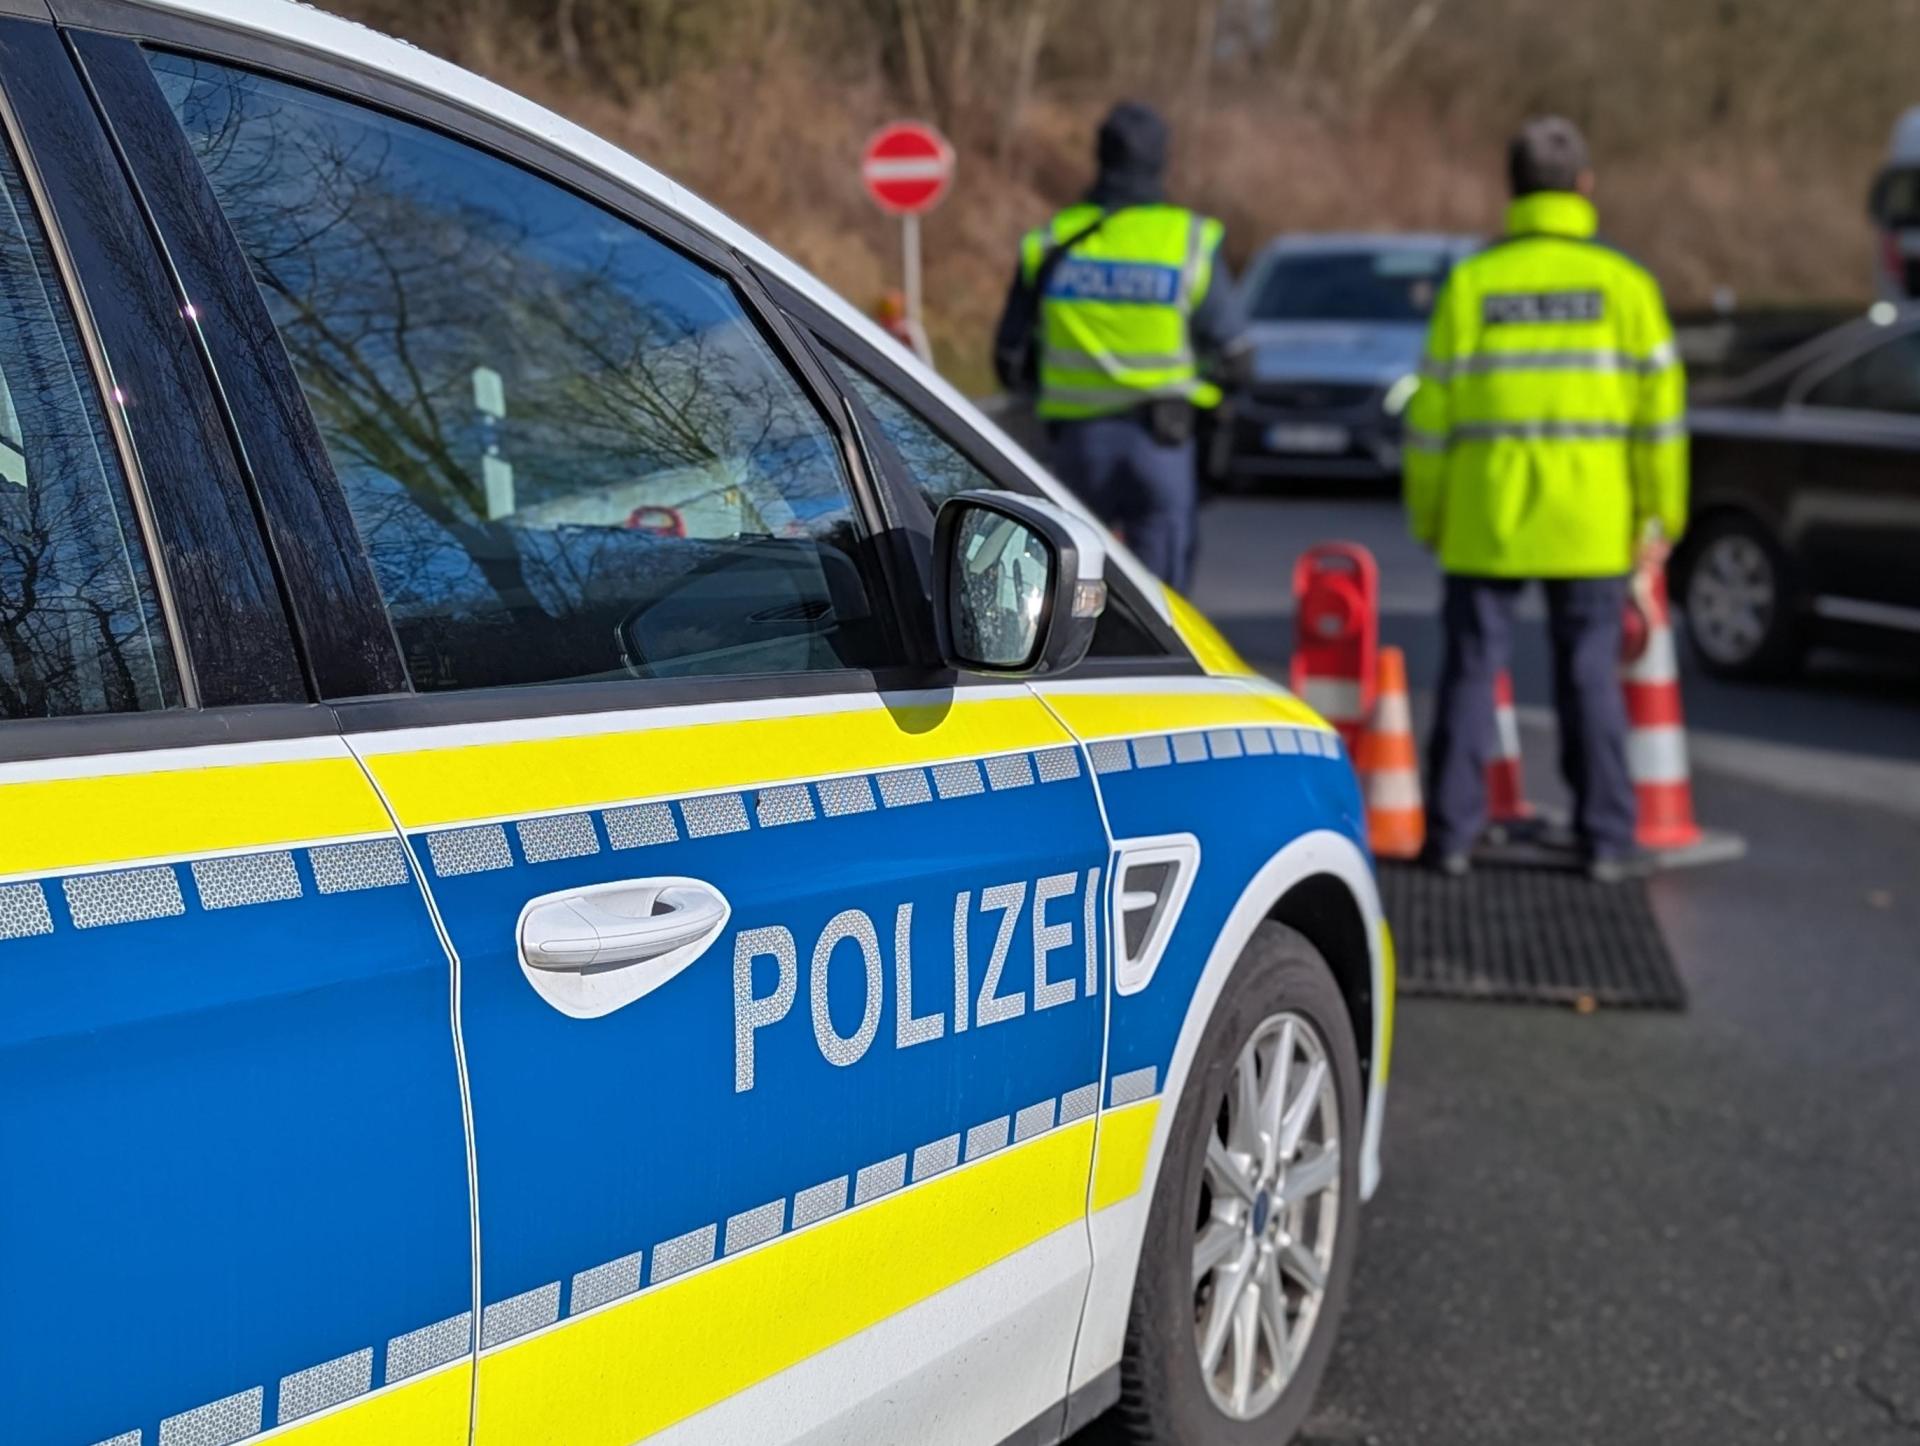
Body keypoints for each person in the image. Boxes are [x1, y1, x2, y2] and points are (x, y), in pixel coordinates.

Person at [1403, 116, 1688, 882]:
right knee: (1589, 678)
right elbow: (1660, 424)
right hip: (1593, 523)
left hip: (1485, 520)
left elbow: (1428, 421)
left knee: (1467, 673)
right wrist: (1659, 521)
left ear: (1513, 189)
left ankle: (1452, 838)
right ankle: (1605, 839)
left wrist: (1429, 515)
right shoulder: (1626, 287)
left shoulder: (1472, 284)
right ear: (1584, 186)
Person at [992, 101, 1247, 591]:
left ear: (1100, 158)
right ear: (1161, 161)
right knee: (1164, 606)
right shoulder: (1189, 240)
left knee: (1069, 586)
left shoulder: (1051, 241)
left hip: (1076, 451)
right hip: (1161, 446)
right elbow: (1236, 355)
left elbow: (1008, 358)